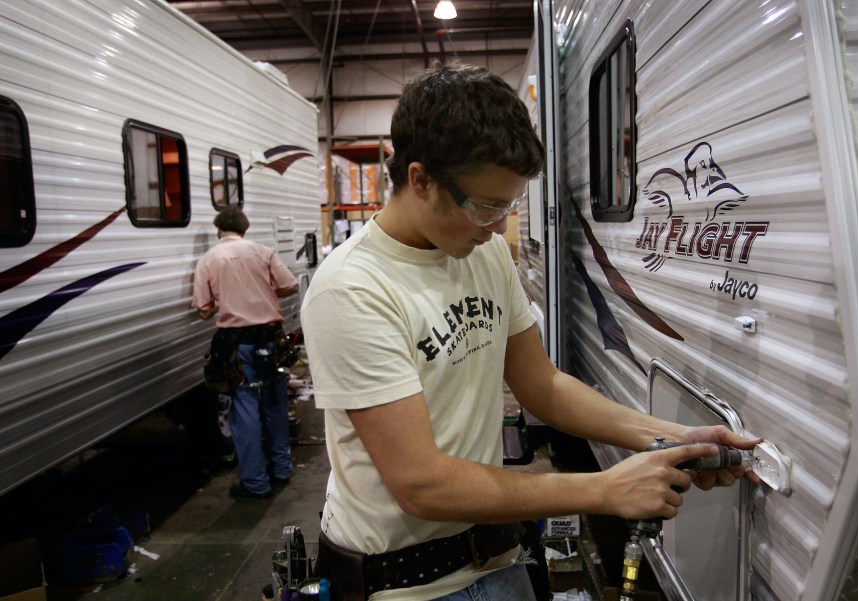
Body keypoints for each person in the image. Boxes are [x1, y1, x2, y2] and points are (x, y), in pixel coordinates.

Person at [300, 64, 760, 600]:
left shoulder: (485, 253)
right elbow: (420, 483)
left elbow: (542, 384)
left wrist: (672, 438)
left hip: (498, 562)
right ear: (420, 179)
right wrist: (604, 489)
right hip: (407, 586)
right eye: (485, 206)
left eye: (509, 205)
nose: (499, 227)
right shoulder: (352, 289)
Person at [192, 206, 299, 499]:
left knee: (244, 409)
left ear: (218, 230)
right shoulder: (262, 252)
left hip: (236, 345)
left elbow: (203, 310)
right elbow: (289, 285)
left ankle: (256, 483)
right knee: (275, 403)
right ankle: (281, 469)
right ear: (244, 229)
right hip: (270, 339)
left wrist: (224, 300)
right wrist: (262, 293)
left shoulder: (209, 259)